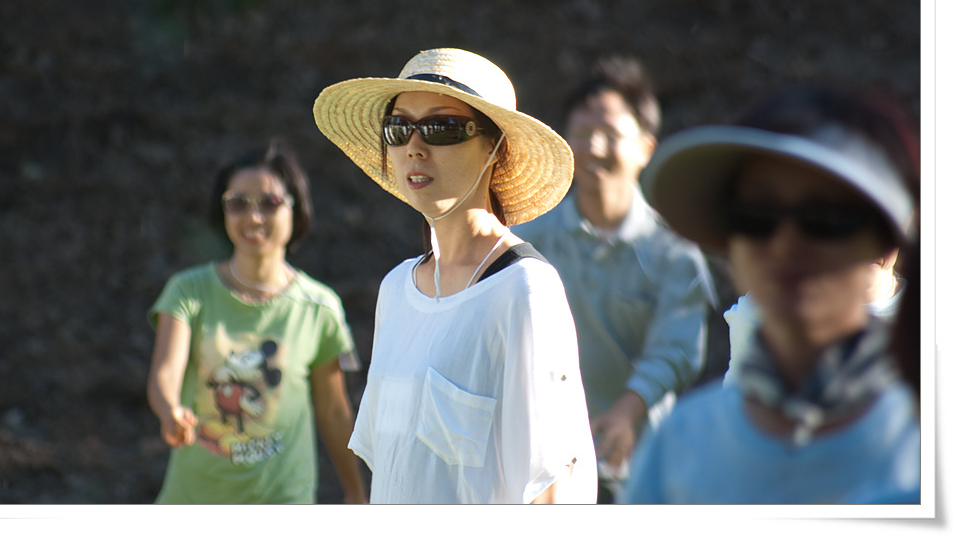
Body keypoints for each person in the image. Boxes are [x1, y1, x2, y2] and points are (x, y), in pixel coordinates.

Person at [312, 47, 596, 504]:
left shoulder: (523, 290)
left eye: (441, 128)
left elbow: (553, 488)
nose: (414, 147)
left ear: (495, 149)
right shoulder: (396, 289)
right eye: (398, 128)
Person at [621, 84, 920, 504]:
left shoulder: (924, 447)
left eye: (823, 216)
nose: (784, 243)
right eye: (756, 216)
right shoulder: (679, 445)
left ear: (885, 242)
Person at [512, 56, 715, 502]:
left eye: (609, 134)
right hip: (542, 470)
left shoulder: (674, 252)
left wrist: (626, 411)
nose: (593, 147)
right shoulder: (526, 241)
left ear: (645, 148)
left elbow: (676, 351)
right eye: (582, 133)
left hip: (640, 466)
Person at [146, 139, 368, 504]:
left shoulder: (319, 307)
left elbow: (333, 410)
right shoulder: (188, 291)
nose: (253, 218)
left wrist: (356, 494)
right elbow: (165, 372)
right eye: (238, 203)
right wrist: (170, 410)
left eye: (270, 202)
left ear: (296, 208)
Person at [723, 247, 902, 386]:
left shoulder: (918, 317)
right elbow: (736, 403)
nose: (868, 247)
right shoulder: (766, 311)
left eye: (881, 227)